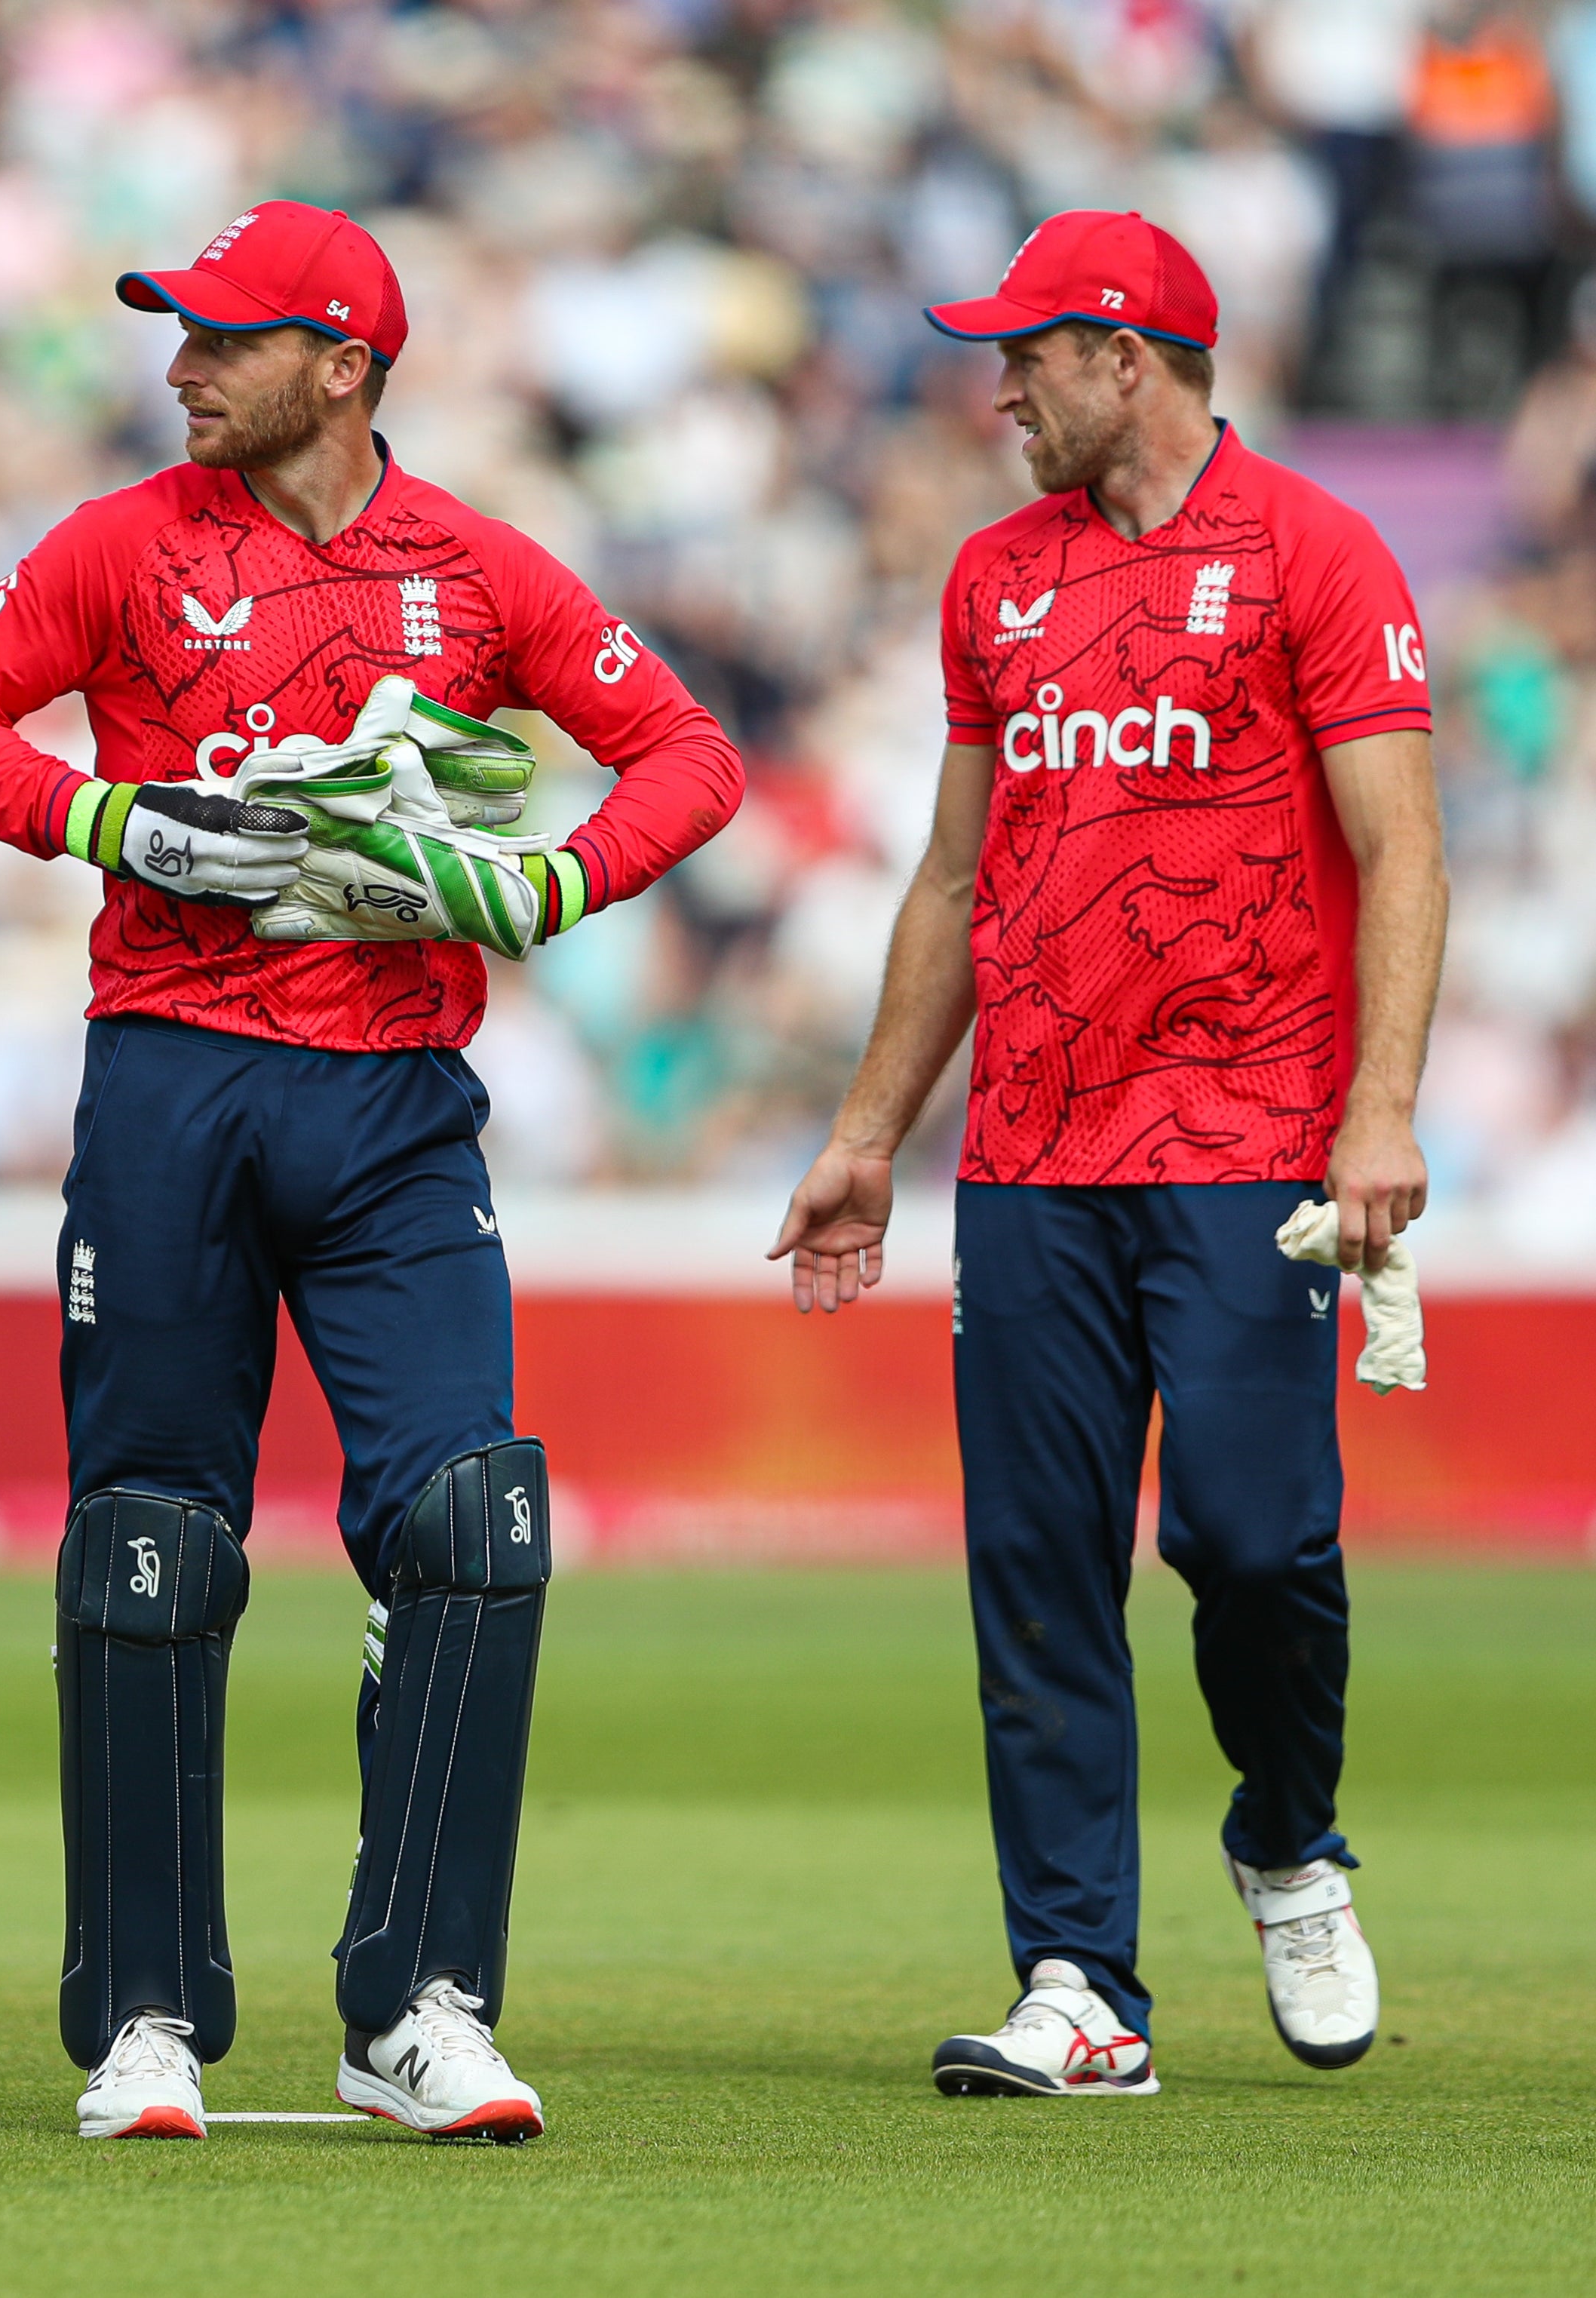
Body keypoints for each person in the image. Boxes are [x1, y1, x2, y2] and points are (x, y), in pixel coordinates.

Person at [0, 201, 742, 2140]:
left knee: (474, 1521)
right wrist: (109, 818)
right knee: (148, 1542)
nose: (178, 365)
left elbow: (684, 753)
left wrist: (542, 878)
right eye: (178, 334)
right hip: (168, 1085)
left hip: (394, 1106)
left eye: (222, 338)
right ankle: (144, 2020)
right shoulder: (119, 544)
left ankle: (414, 2003)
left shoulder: (478, 567)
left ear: (341, 366)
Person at [772, 211, 1440, 2097]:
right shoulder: (993, 577)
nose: (998, 390)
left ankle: (1288, 1834)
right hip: (1032, 1151)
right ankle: (1078, 1981)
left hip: (1248, 1140)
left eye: (1024, 357)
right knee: (1038, 1562)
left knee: (1251, 1541)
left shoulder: (1314, 549)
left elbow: (1399, 848)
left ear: (1123, 356)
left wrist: (1377, 1108)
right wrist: (862, 1131)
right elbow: (949, 870)